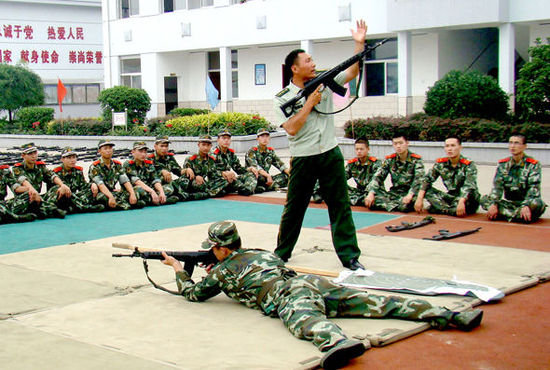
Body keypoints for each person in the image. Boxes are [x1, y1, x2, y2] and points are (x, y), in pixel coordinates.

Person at [161, 221, 484, 369]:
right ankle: (451, 314)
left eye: (212, 249)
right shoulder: (259, 253)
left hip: (287, 294)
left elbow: (193, 295)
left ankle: (338, 343)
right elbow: (246, 270)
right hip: (311, 282)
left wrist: (178, 268)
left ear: (219, 248)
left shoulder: (221, 271)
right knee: (381, 303)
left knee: (307, 322)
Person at [272, 20, 367, 270]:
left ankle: (349, 256)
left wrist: (359, 43)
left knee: (340, 206)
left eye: (313, 60)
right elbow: (292, 128)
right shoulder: (281, 98)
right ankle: (281, 253)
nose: (313, 64)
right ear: (294, 68)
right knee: (294, 209)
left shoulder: (325, 79)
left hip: (329, 153)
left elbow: (353, 71)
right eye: (308, 61)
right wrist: (308, 104)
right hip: (303, 157)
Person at [481, 134, 547, 223]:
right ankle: (518, 216)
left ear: (524, 146)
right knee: (484, 200)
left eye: (516, 143)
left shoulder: (533, 165)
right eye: (510, 143)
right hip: (509, 203)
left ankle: (507, 214)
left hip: (528, 202)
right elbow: (497, 187)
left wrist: (526, 205)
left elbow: (533, 189)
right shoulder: (503, 164)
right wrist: (494, 204)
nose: (512, 146)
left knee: (537, 204)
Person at [414, 137, 480, 216]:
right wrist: (419, 198)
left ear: (460, 147)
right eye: (447, 146)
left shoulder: (469, 164)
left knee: (470, 198)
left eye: (453, 146)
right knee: (425, 189)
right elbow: (427, 180)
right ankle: (450, 210)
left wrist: (461, 201)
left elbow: (469, 185)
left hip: (467, 199)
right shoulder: (441, 163)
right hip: (451, 197)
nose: (449, 149)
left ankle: (441, 208)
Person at [365, 133, 425, 212]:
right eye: (395, 144)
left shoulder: (416, 160)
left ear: (407, 143)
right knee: (369, 199)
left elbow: (419, 180)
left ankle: (391, 206)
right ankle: (395, 206)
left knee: (406, 205)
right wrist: (371, 192)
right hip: (394, 193)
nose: (398, 146)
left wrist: (410, 195)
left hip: (410, 193)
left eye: (401, 143)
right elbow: (378, 176)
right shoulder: (390, 160)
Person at [10, 143, 69, 219]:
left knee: (57, 188)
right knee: (28, 195)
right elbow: (23, 180)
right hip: (26, 198)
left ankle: (44, 210)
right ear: (23, 156)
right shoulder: (17, 168)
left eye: (35, 153)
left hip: (38, 198)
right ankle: (50, 209)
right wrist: (32, 190)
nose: (33, 156)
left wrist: (62, 185)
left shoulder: (40, 166)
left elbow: (52, 175)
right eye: (30, 154)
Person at [88, 139, 140, 210]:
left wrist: (132, 194)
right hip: (102, 193)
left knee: (137, 192)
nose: (108, 150)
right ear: (99, 151)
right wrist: (110, 197)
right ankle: (122, 204)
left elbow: (125, 181)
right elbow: (100, 185)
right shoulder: (95, 166)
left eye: (110, 148)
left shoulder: (117, 165)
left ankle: (116, 204)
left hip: (113, 192)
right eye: (105, 148)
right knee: (102, 198)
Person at [49, 147, 104, 214]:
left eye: (74, 157)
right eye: (69, 158)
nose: (72, 160)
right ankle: (86, 207)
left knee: (91, 190)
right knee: (62, 192)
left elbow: (83, 186)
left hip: (73, 196)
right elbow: (54, 187)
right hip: (60, 198)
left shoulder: (78, 171)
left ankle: (74, 207)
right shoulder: (57, 171)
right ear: (62, 159)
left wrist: (93, 184)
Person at [123, 141, 179, 206]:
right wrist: (152, 191)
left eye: (145, 152)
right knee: (139, 190)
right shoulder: (128, 164)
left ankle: (154, 200)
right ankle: (159, 200)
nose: (143, 154)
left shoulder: (148, 164)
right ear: (133, 152)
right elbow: (136, 181)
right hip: (135, 190)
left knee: (168, 188)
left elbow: (155, 179)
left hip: (148, 190)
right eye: (140, 151)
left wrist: (161, 192)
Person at [210, 129, 257, 196]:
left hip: (230, 179)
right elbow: (210, 172)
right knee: (229, 182)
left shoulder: (230, 153)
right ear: (218, 140)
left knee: (250, 174)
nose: (226, 140)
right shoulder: (213, 154)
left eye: (228, 138)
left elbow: (238, 169)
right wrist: (223, 173)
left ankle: (246, 189)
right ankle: (247, 188)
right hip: (218, 181)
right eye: (223, 138)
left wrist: (249, 169)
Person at [245, 128, 290, 193]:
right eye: (262, 136)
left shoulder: (270, 152)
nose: (265, 139)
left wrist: (291, 174)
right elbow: (255, 167)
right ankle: (267, 187)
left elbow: (280, 165)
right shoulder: (252, 151)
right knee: (255, 178)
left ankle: (264, 187)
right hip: (255, 177)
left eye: (266, 136)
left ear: (269, 138)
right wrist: (268, 176)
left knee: (286, 176)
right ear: (257, 138)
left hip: (266, 179)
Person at [148, 135, 190, 201]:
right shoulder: (149, 159)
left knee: (186, 180)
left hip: (168, 183)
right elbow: (150, 177)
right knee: (169, 189)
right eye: (162, 146)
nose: (164, 148)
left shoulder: (169, 157)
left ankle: (178, 195)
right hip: (154, 186)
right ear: (155, 147)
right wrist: (161, 171)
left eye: (166, 146)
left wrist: (187, 170)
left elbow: (178, 171)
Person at [182, 134, 220, 199]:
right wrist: (196, 177)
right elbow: (185, 175)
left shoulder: (211, 160)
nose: (206, 148)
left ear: (211, 146)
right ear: (198, 145)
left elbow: (213, 175)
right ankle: (207, 193)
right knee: (197, 184)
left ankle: (207, 193)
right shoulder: (191, 159)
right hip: (193, 183)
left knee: (223, 181)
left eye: (208, 145)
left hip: (203, 183)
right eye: (203, 145)